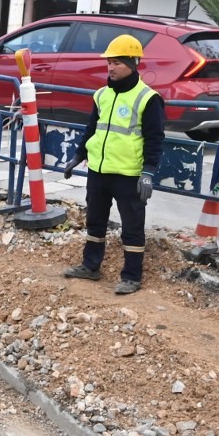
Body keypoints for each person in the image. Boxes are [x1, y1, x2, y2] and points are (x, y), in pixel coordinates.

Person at [61, 34, 165, 295]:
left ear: (132, 63)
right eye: (109, 62)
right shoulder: (101, 95)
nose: (111, 68)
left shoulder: (148, 99)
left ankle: (132, 276)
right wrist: (78, 155)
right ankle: (90, 266)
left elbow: (155, 139)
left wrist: (148, 173)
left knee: (132, 227)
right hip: (98, 171)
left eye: (117, 62)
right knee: (95, 222)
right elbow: (91, 129)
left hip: (128, 175)